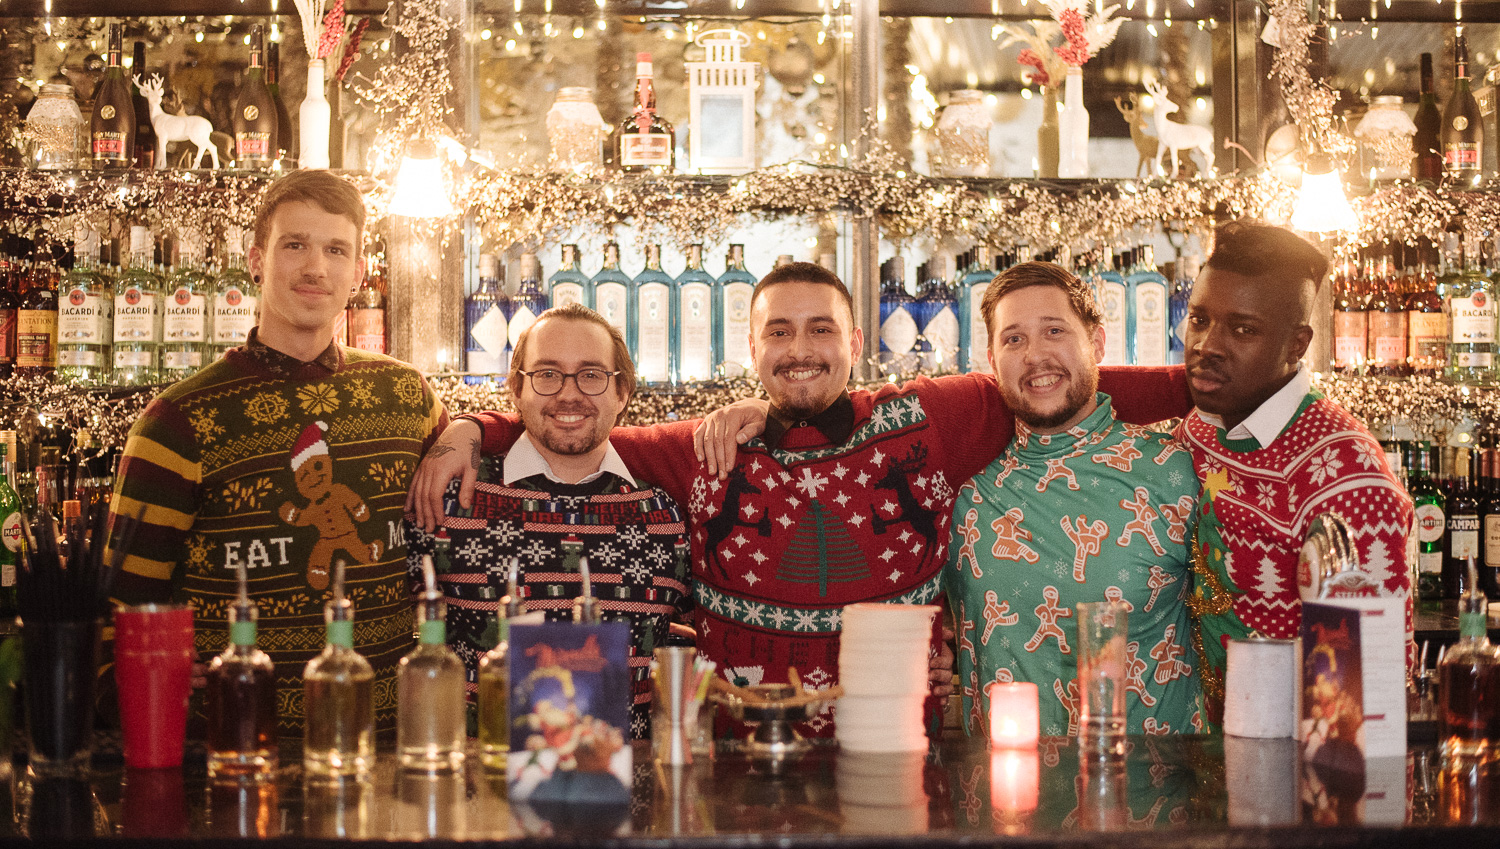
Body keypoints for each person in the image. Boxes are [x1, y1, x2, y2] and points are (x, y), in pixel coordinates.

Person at [408, 262, 1190, 734]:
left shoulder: (931, 418)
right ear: (751, 348)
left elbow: (1057, 378)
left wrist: (1202, 383)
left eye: (821, 329)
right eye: (778, 331)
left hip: (893, 753)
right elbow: (570, 420)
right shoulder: (705, 447)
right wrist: (471, 431)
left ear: (856, 343)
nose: (800, 347)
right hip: (743, 762)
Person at [106, 169, 448, 740]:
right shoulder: (177, 421)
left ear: (359, 272)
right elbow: (118, 610)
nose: (316, 267)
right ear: (257, 259)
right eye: (296, 245)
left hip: (389, 750)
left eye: (336, 250)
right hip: (240, 756)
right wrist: (148, 677)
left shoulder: (409, 396)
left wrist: (471, 429)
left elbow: (493, 478)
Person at [406, 303, 692, 738]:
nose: (569, 393)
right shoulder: (452, 497)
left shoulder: (665, 518)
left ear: (623, 392)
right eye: (547, 374)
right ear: (516, 389)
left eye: (592, 375)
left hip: (629, 794)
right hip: (481, 790)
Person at [944, 262, 1202, 738]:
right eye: (1013, 339)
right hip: (1000, 802)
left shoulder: (1176, 471)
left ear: (1098, 344)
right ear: (991, 359)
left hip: (1153, 795)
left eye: (1055, 331)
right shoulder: (966, 497)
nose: (1035, 356)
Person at [1176, 221, 1413, 719]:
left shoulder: (1347, 476)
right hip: (1196, 765)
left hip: (1289, 774)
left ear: (1296, 345)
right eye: (1199, 320)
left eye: (1243, 330)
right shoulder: (1199, 429)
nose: (1207, 345)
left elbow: (1364, 696)